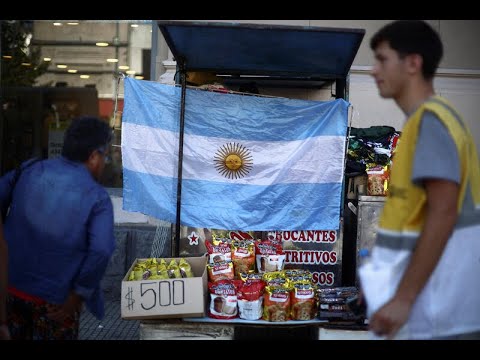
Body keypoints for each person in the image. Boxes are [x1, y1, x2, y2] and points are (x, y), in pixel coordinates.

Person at [361, 20, 480, 340]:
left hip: (436, 309)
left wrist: (403, 299)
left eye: (382, 59)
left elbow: (444, 212)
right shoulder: (429, 121)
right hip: (431, 305)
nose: (373, 70)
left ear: (413, 63)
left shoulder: (430, 122)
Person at [0, 116, 116, 340]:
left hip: (11, 295)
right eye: (105, 155)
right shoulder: (97, 197)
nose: (105, 162)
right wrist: (78, 294)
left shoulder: (29, 169)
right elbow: (101, 250)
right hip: (56, 305)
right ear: (94, 156)